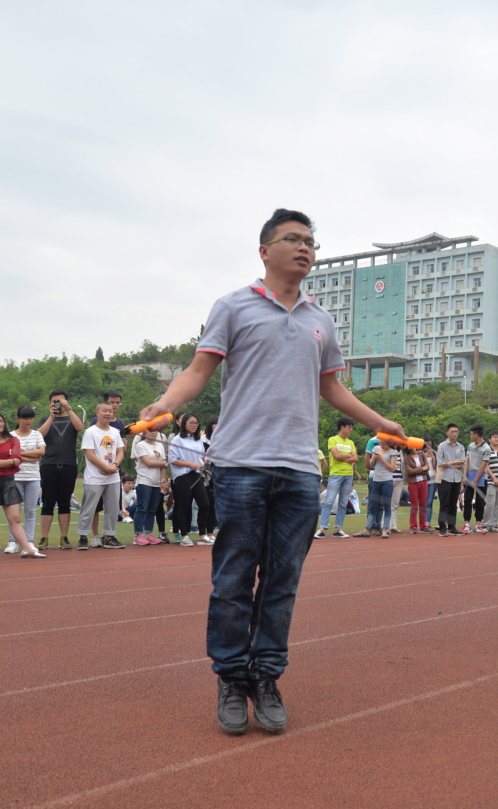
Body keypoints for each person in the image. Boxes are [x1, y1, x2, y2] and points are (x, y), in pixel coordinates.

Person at [136, 207, 407, 736]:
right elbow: (198, 371)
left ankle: (267, 676)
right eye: (293, 239)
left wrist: (381, 422)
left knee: (282, 581)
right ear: (265, 250)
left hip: (302, 470)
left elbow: (333, 389)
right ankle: (232, 678)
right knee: (234, 578)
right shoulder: (234, 307)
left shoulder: (319, 319)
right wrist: (160, 404)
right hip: (239, 465)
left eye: (311, 242)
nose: (306, 248)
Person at [0, 410, 44, 559]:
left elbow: (16, 459)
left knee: (15, 518)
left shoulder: (13, 439)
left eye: (1, 421)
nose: (0, 424)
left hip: (8, 481)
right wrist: (9, 462)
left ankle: (28, 548)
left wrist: (5, 462)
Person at [37, 390, 84, 549]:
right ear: (50, 403)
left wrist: (69, 409)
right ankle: (44, 538)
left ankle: (64, 537)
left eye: (61, 401)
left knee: (65, 503)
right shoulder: (45, 419)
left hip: (69, 464)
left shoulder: (71, 418)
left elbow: (80, 427)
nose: (58, 404)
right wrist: (51, 416)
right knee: (47, 502)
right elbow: (39, 435)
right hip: (48, 464)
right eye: (55, 401)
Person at [76, 402, 125, 550]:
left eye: (110, 411)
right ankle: (83, 536)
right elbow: (90, 455)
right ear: (97, 412)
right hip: (95, 477)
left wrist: (115, 466)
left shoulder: (115, 432)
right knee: (89, 508)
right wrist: (105, 467)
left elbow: (121, 451)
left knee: (112, 508)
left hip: (113, 477)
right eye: (104, 411)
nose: (108, 413)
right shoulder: (90, 432)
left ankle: (109, 536)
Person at [169, 413, 213, 546]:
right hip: (182, 476)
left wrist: (206, 460)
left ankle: (202, 535)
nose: (194, 425)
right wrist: (189, 464)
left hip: (196, 474)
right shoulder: (177, 440)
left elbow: (200, 456)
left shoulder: (197, 439)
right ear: (184, 424)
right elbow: (172, 460)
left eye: (196, 423)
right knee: (184, 505)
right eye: (191, 423)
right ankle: (184, 536)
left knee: (205, 504)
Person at [11, 405, 46, 551]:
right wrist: (32, 456)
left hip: (33, 477)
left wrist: (21, 455)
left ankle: (29, 540)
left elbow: (41, 452)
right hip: (15, 476)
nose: (29, 421)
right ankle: (12, 541)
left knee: (30, 511)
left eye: (31, 418)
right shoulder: (11, 435)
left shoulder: (37, 434)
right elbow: (11, 455)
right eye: (25, 418)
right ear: (18, 418)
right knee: (14, 512)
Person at [317, 417, 358, 538]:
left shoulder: (350, 442)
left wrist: (343, 456)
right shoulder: (333, 439)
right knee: (329, 501)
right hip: (336, 474)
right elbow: (336, 456)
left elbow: (355, 459)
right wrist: (349, 455)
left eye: (352, 427)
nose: (351, 429)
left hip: (348, 475)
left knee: (343, 503)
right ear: (342, 427)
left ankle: (338, 529)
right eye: (349, 427)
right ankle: (322, 529)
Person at [132, 430, 167, 544]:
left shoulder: (160, 445)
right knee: (142, 508)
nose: (152, 432)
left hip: (157, 482)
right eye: (149, 430)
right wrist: (163, 463)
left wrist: (162, 480)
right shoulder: (141, 445)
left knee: (152, 509)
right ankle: (138, 535)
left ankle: (149, 533)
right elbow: (149, 463)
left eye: (154, 430)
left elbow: (164, 465)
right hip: (144, 481)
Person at [434, 424, 465, 538]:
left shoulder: (460, 447)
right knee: (444, 504)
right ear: (447, 433)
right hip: (445, 479)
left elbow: (461, 463)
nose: (454, 434)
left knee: (453, 505)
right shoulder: (442, 446)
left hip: (456, 479)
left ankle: (452, 527)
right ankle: (442, 527)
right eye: (452, 431)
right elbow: (440, 464)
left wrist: (450, 464)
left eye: (456, 431)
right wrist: (453, 463)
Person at [368, 436, 398, 539]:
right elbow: (371, 464)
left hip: (387, 481)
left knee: (386, 506)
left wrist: (382, 459)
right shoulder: (376, 449)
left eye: (383, 444)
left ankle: (385, 529)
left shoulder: (393, 452)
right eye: (380, 443)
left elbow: (392, 468)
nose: (381, 446)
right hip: (376, 480)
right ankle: (367, 528)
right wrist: (374, 458)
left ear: (388, 443)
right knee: (373, 506)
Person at [462, 425, 490, 534]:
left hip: (481, 477)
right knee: (467, 500)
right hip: (469, 475)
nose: (470, 436)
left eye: (471, 434)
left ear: (476, 435)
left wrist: (475, 480)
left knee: (479, 501)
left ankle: (478, 525)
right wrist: (465, 476)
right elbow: (467, 460)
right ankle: (466, 523)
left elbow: (483, 466)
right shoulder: (470, 446)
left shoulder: (486, 448)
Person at [480, 430, 498, 533]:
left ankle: (493, 525)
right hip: (491, 481)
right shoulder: (487, 451)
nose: (496, 439)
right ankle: (484, 524)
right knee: (490, 504)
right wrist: (494, 478)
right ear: (489, 439)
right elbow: (485, 466)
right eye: (494, 437)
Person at [404, 445, 430, 534]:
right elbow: (410, 471)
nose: (414, 447)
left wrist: (419, 470)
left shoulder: (421, 454)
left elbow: (427, 468)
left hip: (423, 481)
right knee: (414, 506)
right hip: (413, 483)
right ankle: (413, 526)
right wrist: (422, 469)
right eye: (411, 446)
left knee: (423, 505)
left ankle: (423, 526)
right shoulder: (407, 458)